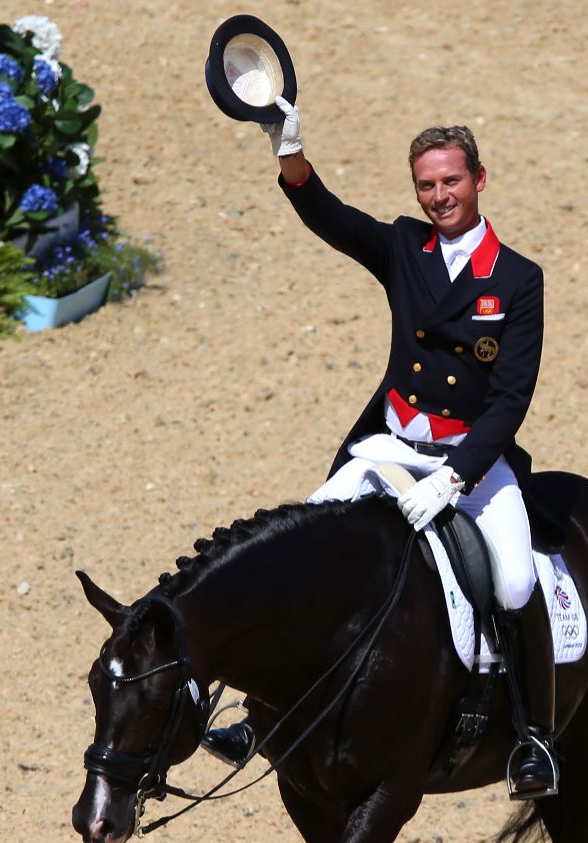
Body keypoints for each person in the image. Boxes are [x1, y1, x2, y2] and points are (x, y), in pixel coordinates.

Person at [203, 97, 559, 801]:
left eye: (450, 182)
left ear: (479, 179)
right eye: (426, 186)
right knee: (298, 547)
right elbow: (329, 218)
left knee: (517, 582)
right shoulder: (404, 247)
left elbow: (510, 399)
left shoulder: (517, 279)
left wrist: (456, 478)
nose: (439, 197)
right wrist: (289, 153)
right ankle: (258, 717)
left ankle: (534, 738)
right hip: (391, 448)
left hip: (470, 461)